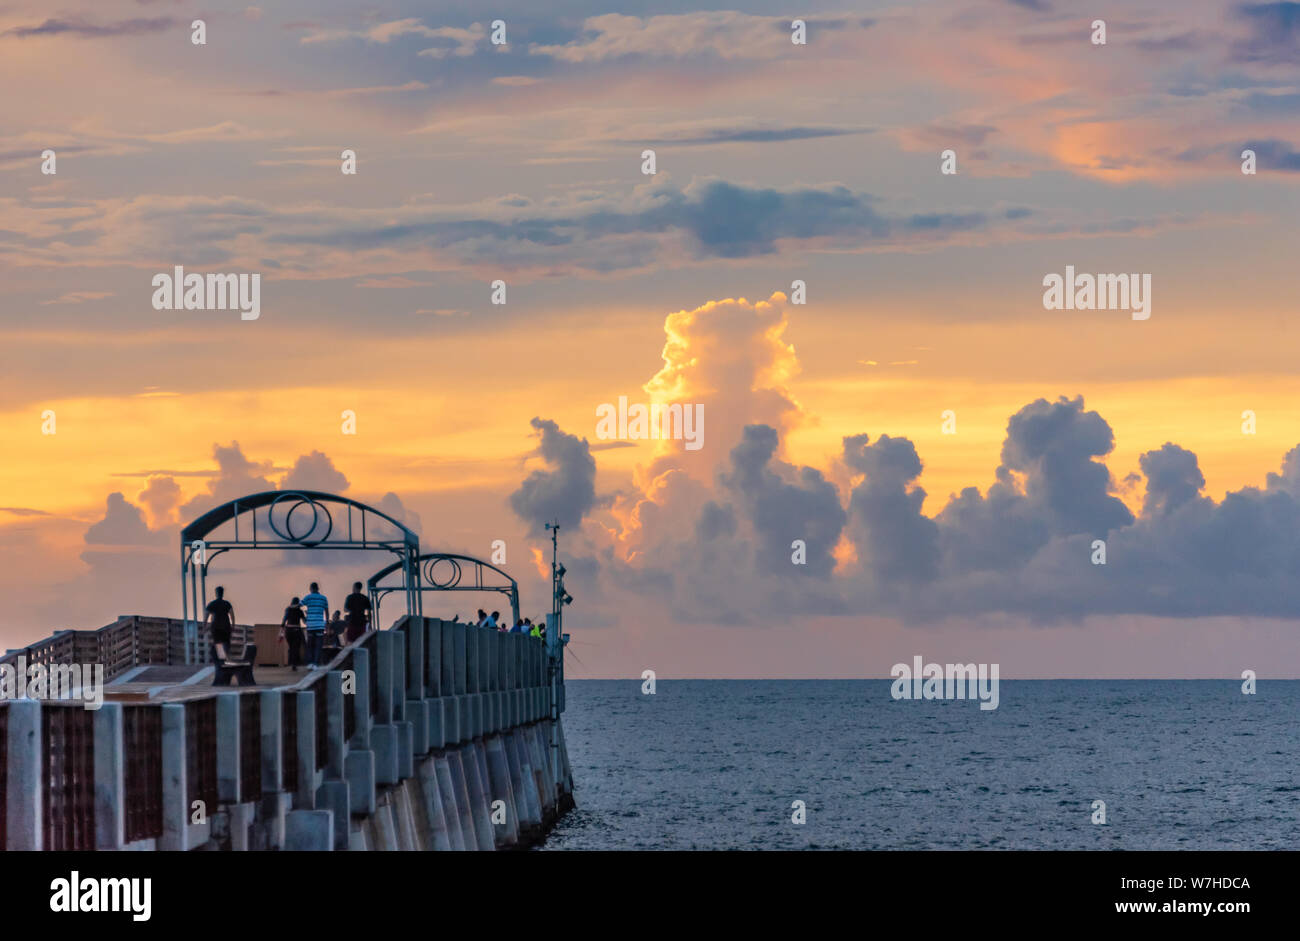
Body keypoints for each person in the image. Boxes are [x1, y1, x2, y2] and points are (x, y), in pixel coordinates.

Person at [301, 582, 329, 668]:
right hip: (320, 625)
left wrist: (291, 606)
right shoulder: (324, 598)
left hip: (310, 625)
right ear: (318, 588)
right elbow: (327, 612)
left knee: (310, 645)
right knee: (318, 645)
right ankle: (316, 664)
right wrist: (327, 623)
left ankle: (310, 663)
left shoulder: (308, 597)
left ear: (311, 588)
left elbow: (299, 604)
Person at [204, 585, 235, 657]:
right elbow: (232, 615)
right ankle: (226, 658)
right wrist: (233, 626)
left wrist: (204, 626)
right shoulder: (227, 604)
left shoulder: (212, 604)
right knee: (226, 643)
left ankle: (221, 659)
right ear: (222, 593)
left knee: (218, 643)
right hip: (226, 627)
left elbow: (206, 616)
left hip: (215, 627)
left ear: (216, 593)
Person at [280, 596, 306, 671]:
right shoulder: (300, 611)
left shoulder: (288, 609)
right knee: (296, 648)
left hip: (288, 630)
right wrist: (307, 615)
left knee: (291, 647)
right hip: (297, 630)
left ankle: (291, 662)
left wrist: (281, 629)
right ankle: (294, 664)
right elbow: (305, 622)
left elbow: (284, 619)